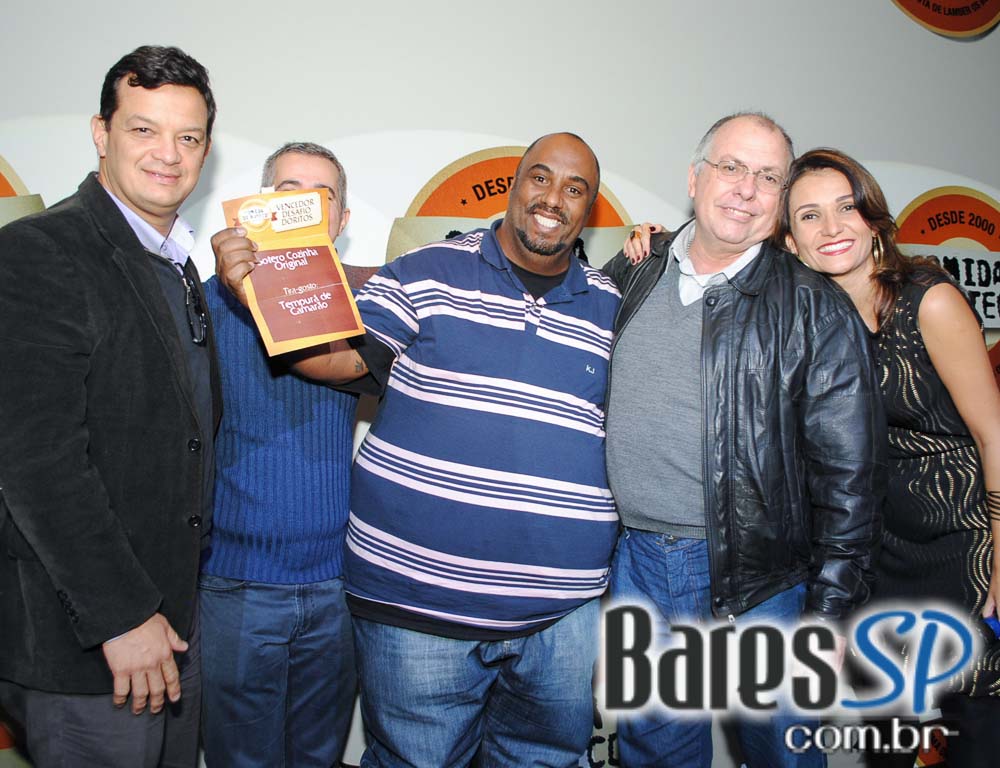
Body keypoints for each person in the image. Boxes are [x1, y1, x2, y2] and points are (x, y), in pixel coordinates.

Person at [216, 132, 621, 767]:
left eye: (576, 189)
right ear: (515, 184)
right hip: (417, 610)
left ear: (589, 209)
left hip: (560, 623)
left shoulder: (611, 305)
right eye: (540, 178)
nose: (554, 198)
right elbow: (339, 360)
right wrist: (254, 294)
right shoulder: (425, 269)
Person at [607, 113, 886, 767]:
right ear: (694, 178)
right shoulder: (631, 273)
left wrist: (829, 612)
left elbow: (851, 476)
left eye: (768, 177)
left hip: (765, 583)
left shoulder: (814, 306)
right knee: (656, 755)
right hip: (636, 565)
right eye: (731, 167)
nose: (746, 189)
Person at [0, 46, 219, 767]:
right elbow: (36, 461)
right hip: (91, 645)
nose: (168, 154)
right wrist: (121, 617)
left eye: (188, 137)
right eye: (143, 129)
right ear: (102, 133)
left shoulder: (175, 260)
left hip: (172, 627)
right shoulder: (38, 251)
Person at [776, 147, 1000, 766]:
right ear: (791, 242)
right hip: (873, 558)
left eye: (846, 207)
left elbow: (994, 434)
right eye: (810, 216)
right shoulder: (807, 323)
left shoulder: (929, 301)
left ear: (872, 218)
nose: (832, 227)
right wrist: (656, 245)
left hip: (964, 547)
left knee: (978, 733)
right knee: (886, 739)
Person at [200, 142, 367, 767]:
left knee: (318, 757)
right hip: (235, 586)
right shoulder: (208, 304)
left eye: (321, 197)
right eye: (287, 192)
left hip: (336, 585)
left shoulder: (366, 306)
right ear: (260, 205)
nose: (303, 206)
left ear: (341, 219)